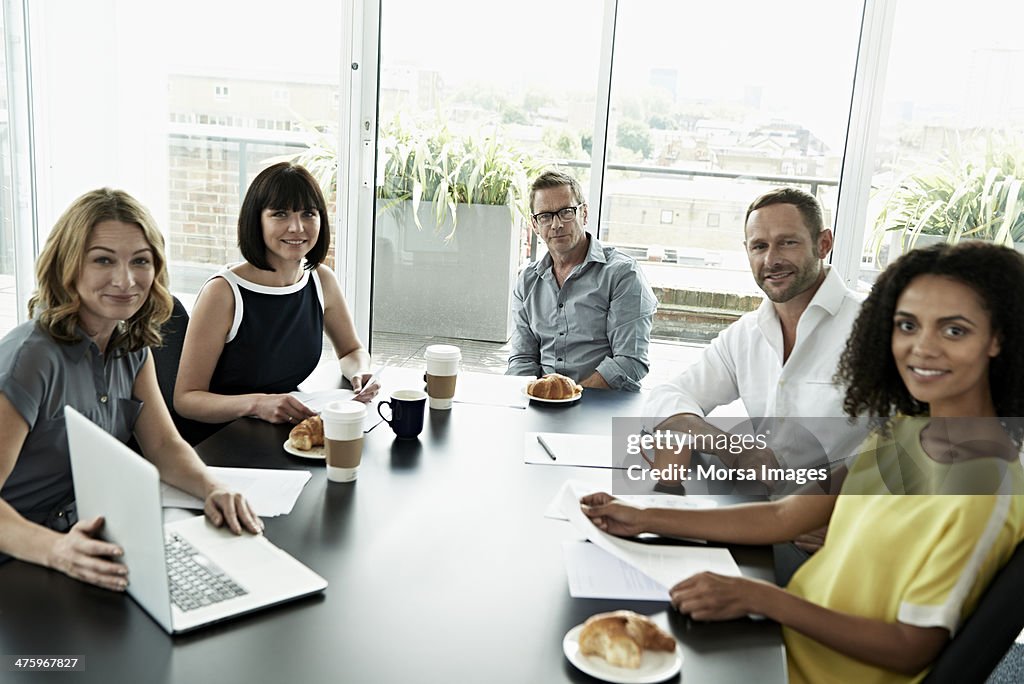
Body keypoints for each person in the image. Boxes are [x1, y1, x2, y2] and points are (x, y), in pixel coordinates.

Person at [582, 242, 1024, 683]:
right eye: (907, 325)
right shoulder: (905, 431)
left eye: (954, 330)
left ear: (998, 337)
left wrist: (760, 598)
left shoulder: (987, 490)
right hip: (780, 638)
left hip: (812, 669)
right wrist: (641, 516)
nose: (921, 348)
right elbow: (786, 514)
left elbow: (910, 649)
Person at [0, 188, 262, 591]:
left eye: (140, 261)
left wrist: (214, 488)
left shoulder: (131, 348)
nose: (126, 280)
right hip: (23, 558)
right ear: (68, 265)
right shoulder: (30, 358)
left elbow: (163, 446)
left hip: (81, 541)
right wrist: (56, 551)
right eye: (103, 259)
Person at [175, 162, 376, 435]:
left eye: (308, 213)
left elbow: (352, 351)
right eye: (280, 214)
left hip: (285, 431)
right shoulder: (223, 293)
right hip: (221, 439)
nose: (297, 227)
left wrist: (359, 372)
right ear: (256, 219)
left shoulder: (321, 280)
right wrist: (258, 404)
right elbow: (186, 399)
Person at [506, 169, 657, 391]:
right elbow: (522, 359)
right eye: (545, 216)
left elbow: (630, 361)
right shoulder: (527, 281)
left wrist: (569, 396)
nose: (556, 225)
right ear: (535, 225)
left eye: (566, 212)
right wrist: (529, 398)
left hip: (603, 405)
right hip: (541, 404)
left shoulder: (623, 275)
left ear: (584, 214)